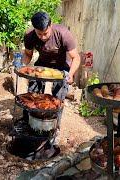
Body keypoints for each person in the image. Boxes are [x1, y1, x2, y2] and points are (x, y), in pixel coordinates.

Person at [20, 11, 80, 146]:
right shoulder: (29, 35)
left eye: (45, 33)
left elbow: (76, 58)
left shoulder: (64, 34)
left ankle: (54, 128)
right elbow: (28, 55)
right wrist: (22, 65)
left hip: (61, 66)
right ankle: (28, 122)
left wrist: (70, 74)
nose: (42, 37)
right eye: (39, 34)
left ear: (51, 25)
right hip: (42, 64)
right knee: (32, 94)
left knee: (57, 100)